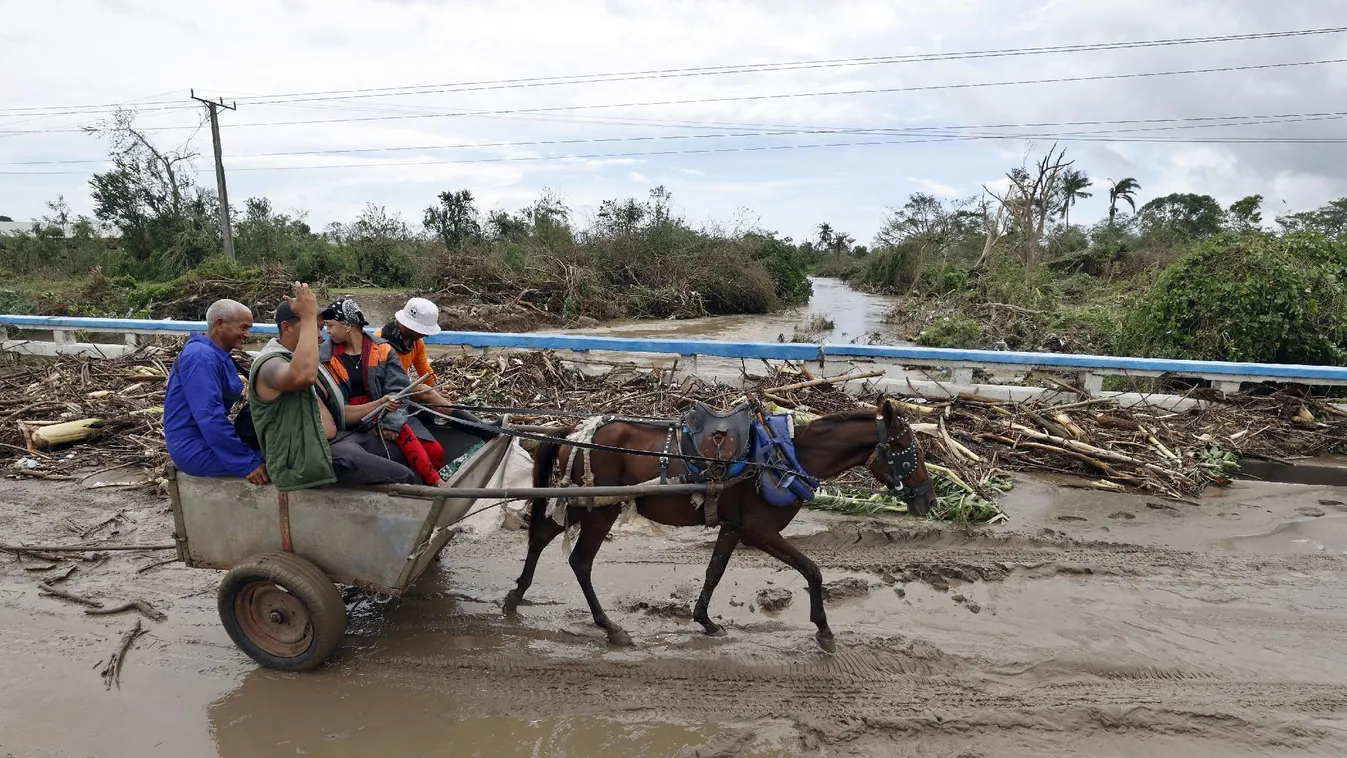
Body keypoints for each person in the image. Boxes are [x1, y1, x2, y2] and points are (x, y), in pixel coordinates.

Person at [248, 284, 419, 491]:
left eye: (322, 327)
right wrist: (309, 316)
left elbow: (341, 412)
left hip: (337, 438)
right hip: (307, 454)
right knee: (405, 476)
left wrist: (380, 403)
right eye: (316, 327)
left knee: (399, 454)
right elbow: (302, 376)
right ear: (287, 328)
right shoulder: (270, 364)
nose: (321, 335)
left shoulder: (309, 362)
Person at [320, 297, 450, 487]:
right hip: (350, 416)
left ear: (347, 326)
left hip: (384, 410)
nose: (327, 331)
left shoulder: (381, 349)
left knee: (434, 450)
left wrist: (390, 424)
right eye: (326, 326)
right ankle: (435, 483)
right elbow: (335, 405)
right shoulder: (325, 358)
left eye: (331, 326)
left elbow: (397, 389)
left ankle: (435, 480)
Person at [164, 298, 269, 485]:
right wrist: (246, 462)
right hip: (194, 447)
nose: (248, 334)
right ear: (220, 324)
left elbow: (239, 395)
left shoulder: (219, 354)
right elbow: (210, 416)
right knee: (278, 460)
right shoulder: (200, 356)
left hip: (206, 438)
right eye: (243, 327)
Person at [374, 297, 453, 411]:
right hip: (385, 395)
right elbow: (375, 380)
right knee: (425, 391)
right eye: (422, 330)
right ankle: (473, 423)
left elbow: (425, 371)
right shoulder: (379, 341)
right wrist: (429, 393)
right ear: (408, 325)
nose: (425, 335)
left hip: (402, 390)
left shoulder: (416, 343)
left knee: (432, 394)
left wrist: (437, 391)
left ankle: (461, 417)